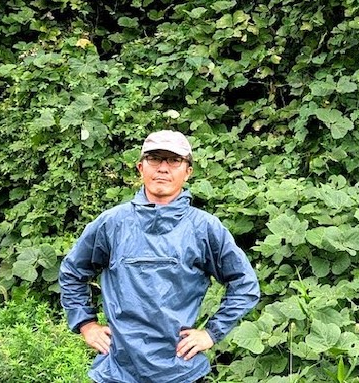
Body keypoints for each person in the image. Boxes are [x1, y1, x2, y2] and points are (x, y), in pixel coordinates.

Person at [59, 130, 260, 383]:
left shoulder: (205, 228)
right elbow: (72, 272)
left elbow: (245, 284)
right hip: (118, 372)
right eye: (155, 159)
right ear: (140, 167)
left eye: (174, 160)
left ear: (188, 171)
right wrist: (86, 324)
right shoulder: (112, 224)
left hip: (181, 372)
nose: (163, 168)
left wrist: (211, 333)